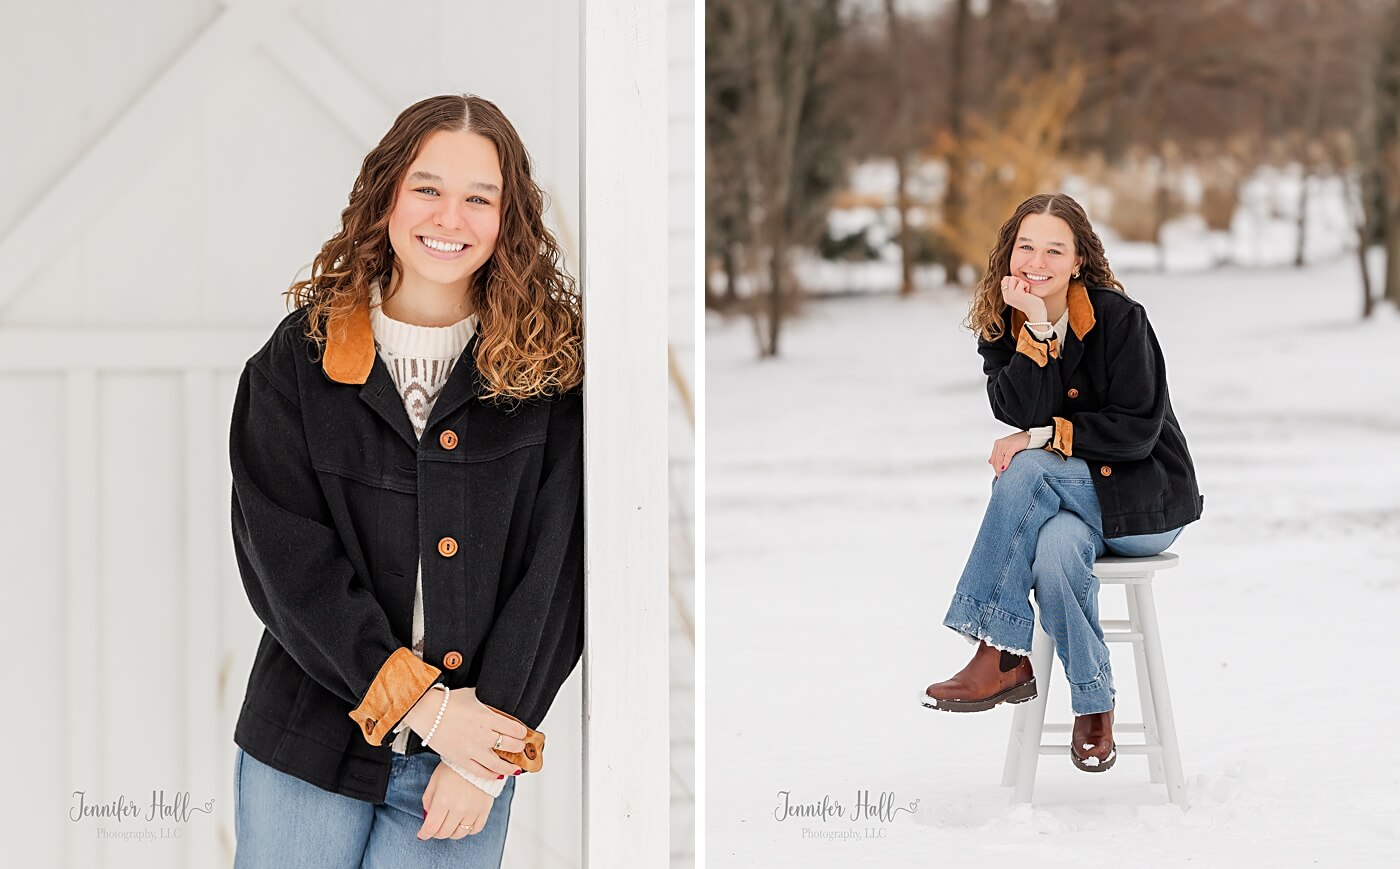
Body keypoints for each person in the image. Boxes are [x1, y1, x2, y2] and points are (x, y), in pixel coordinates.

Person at [229, 93, 584, 867]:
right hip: (306, 744)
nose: (448, 217)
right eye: (427, 187)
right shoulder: (298, 361)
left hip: (465, 763)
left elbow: (557, 576)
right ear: (387, 192)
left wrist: (475, 755)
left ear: (508, 217)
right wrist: (424, 707)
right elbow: (285, 566)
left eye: (478, 197)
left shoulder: (548, 375)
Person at [921, 192, 1203, 774]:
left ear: (1078, 261)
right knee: (1052, 552)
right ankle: (1094, 706)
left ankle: (997, 649)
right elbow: (1013, 406)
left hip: (1145, 505)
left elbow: (1134, 433)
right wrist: (1041, 332)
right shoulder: (1005, 328)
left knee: (1026, 469)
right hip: (1071, 505)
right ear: (1008, 253)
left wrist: (1040, 438)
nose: (1037, 261)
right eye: (1026, 246)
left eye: (1054, 249)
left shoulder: (1122, 320)